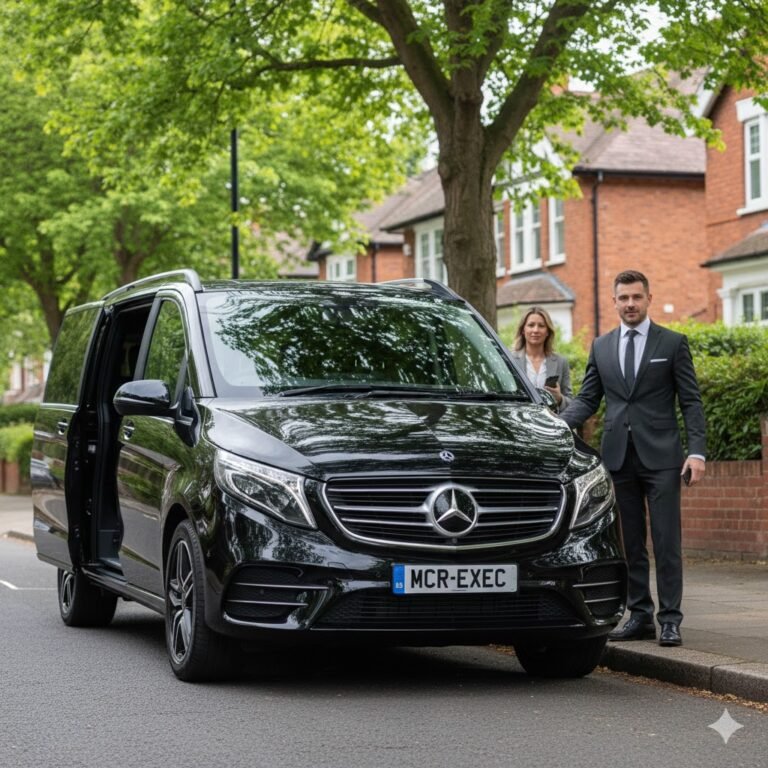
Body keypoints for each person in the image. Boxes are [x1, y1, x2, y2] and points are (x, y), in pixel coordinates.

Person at [560, 270, 706, 647]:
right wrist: (556, 426)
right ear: (614, 301)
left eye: (636, 297)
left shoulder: (672, 343)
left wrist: (697, 452)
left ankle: (670, 619)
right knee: (630, 544)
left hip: (661, 458)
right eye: (623, 298)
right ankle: (639, 614)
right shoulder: (602, 346)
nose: (630, 304)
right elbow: (589, 399)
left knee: (666, 540)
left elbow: (690, 402)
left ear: (648, 299)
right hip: (618, 458)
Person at [510, 306, 573, 412]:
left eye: (541, 326)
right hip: (520, 423)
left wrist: (560, 399)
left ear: (547, 331)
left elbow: (571, 403)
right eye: (531, 325)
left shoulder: (561, 362)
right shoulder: (510, 360)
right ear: (523, 330)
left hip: (550, 424)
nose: (535, 330)